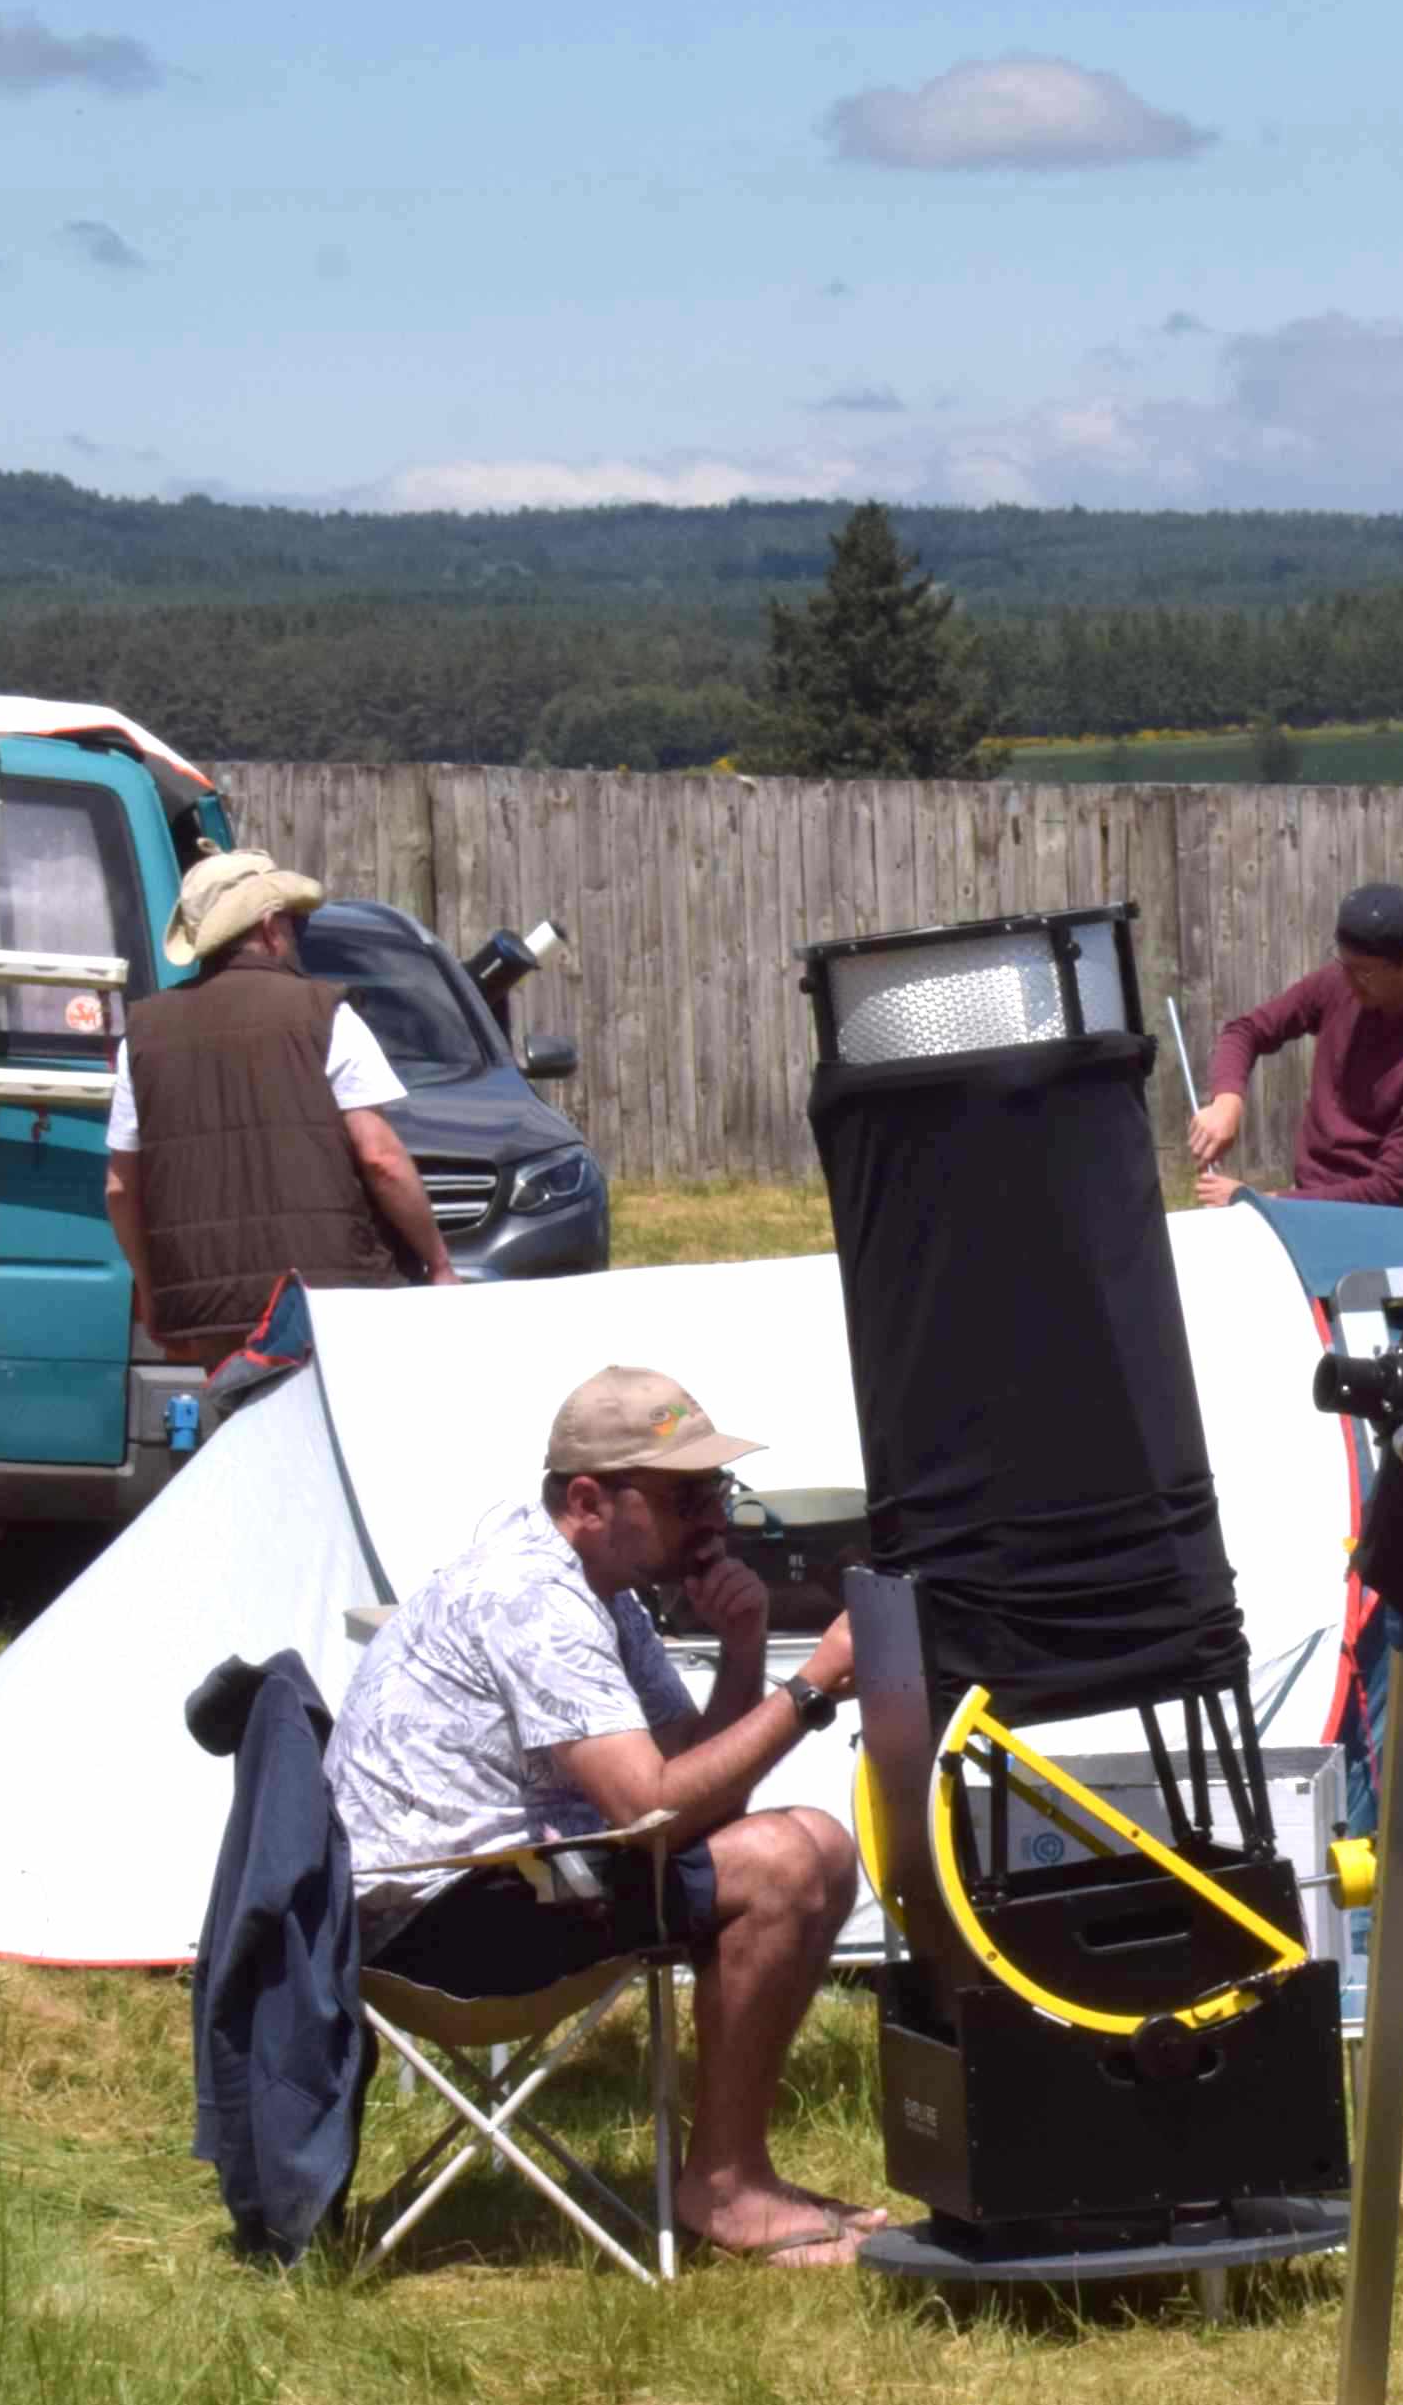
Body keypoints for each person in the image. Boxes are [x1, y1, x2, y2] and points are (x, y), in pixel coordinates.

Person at [331, 1365, 868, 2266]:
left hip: (504, 1886)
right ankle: (726, 2189)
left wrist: (744, 1651)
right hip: (436, 1927)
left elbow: (695, 1786)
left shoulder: (602, 1592)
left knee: (811, 1843)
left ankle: (734, 2176)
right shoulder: (533, 1599)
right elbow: (654, 1810)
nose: (715, 1519)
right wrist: (809, 1690)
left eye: (717, 1488)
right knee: (788, 1858)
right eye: (687, 1497)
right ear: (587, 1500)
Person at [104, 848, 449, 1362]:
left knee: (238, 1414)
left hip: (208, 1307)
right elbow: (381, 1159)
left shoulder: (142, 1035)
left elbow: (119, 1188)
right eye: (295, 924)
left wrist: (155, 1294)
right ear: (269, 928)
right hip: (330, 1299)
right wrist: (438, 1263)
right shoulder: (325, 1014)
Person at [1185, 879, 1403, 1207]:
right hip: (1306, 1198)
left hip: (1387, 1220)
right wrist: (1226, 1102)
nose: (1349, 981)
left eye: (1364, 972)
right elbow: (1247, 1031)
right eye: (1344, 964)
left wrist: (1262, 1204)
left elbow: (1388, 1189)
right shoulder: (1344, 982)